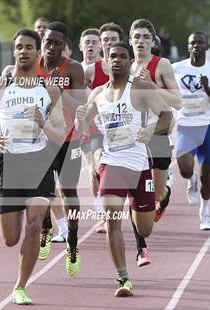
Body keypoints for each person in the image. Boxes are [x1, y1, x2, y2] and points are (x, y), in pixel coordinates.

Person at [76, 42, 171, 296]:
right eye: (112, 56)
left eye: (121, 57)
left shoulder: (141, 88)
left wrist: (150, 130)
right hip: (113, 164)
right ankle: (123, 279)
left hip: (139, 165)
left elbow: (166, 116)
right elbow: (84, 128)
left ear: (130, 62)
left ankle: (146, 201)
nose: (116, 60)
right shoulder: (96, 94)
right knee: (113, 222)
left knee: (145, 228)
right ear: (105, 62)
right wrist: (82, 125)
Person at [0, 28, 65, 305]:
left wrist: (43, 123)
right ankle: (34, 233)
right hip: (8, 162)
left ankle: (20, 286)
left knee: (33, 225)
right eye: (19, 47)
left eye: (30, 46)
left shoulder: (50, 90)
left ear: (38, 53)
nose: (24, 51)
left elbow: (60, 134)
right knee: (10, 238)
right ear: (14, 51)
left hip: (39, 161)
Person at [129, 18, 182, 266]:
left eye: (145, 37)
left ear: (153, 41)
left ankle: (166, 194)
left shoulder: (161, 65)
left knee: (157, 192)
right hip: (133, 141)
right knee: (134, 194)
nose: (140, 41)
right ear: (130, 41)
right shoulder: (125, 67)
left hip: (158, 136)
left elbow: (177, 101)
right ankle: (141, 248)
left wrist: (152, 86)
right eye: (136, 37)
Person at [35, 21, 86, 276]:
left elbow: (82, 103)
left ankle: (73, 242)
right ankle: (46, 226)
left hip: (68, 139)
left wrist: (59, 91)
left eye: (57, 43)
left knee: (68, 191)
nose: (51, 47)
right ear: (41, 43)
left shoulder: (74, 69)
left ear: (65, 46)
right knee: (40, 190)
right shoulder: (31, 68)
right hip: (42, 140)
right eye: (47, 42)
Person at [172, 32, 210, 230]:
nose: (196, 46)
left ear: (206, 46)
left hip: (206, 129)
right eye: (192, 43)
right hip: (185, 126)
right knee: (185, 170)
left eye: (200, 43)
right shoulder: (176, 69)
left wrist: (206, 89)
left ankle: (205, 212)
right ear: (188, 47)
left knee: (207, 177)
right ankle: (191, 180)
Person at [83, 22, 123, 233]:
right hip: (97, 128)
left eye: (113, 40)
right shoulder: (91, 70)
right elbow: (71, 92)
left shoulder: (131, 67)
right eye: (105, 40)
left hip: (124, 128)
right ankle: (102, 214)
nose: (108, 44)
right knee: (96, 167)